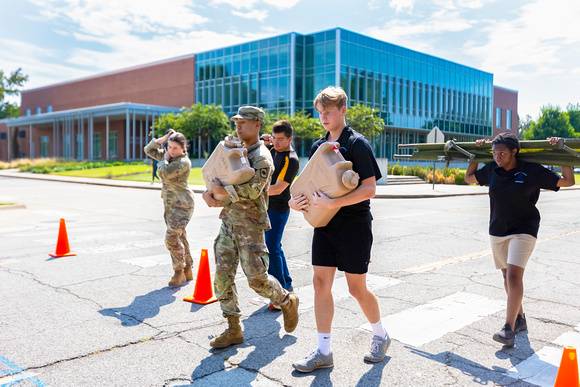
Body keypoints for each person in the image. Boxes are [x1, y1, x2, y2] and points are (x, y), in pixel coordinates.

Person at [289, 86, 389, 372]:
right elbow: (310, 185)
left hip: (354, 226)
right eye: (320, 113)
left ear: (343, 110)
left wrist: (335, 201)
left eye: (329, 112)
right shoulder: (318, 146)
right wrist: (298, 203)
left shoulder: (358, 144)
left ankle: (380, 334)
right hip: (325, 225)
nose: (323, 118)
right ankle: (323, 351)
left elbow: (369, 189)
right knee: (320, 284)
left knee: (357, 289)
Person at [464, 133, 575, 347]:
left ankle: (508, 328)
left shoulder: (530, 170)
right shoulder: (492, 170)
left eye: (502, 153)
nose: (498, 156)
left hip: (524, 229)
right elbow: (469, 178)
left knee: (514, 276)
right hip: (497, 230)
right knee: (506, 277)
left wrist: (562, 152)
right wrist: (476, 155)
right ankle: (520, 318)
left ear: (515, 151)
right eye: (495, 153)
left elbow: (568, 181)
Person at [202, 105, 299, 349]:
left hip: (251, 225)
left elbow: (254, 190)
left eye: (243, 122)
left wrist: (223, 193)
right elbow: (219, 177)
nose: (238, 125)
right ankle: (233, 328)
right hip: (229, 222)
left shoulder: (262, 158)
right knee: (222, 277)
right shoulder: (233, 150)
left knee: (257, 280)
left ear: (257, 124)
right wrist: (210, 194)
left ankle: (286, 300)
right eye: (236, 121)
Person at [144, 129, 195, 287]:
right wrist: (164, 139)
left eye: (175, 148)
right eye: (169, 146)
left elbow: (164, 173)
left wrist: (164, 158)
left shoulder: (183, 162)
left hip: (182, 206)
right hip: (170, 205)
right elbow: (148, 150)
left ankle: (178, 272)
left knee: (171, 238)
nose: (171, 151)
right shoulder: (168, 156)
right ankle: (188, 269)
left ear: (183, 148)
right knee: (181, 236)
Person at [261, 120, 299, 310]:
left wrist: (255, 191)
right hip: (268, 207)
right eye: (274, 138)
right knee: (276, 246)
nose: (276, 143)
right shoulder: (274, 149)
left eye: (280, 139)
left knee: (272, 247)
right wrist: (264, 142)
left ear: (289, 138)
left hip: (279, 209)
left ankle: (280, 293)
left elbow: (278, 188)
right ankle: (287, 282)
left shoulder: (290, 159)